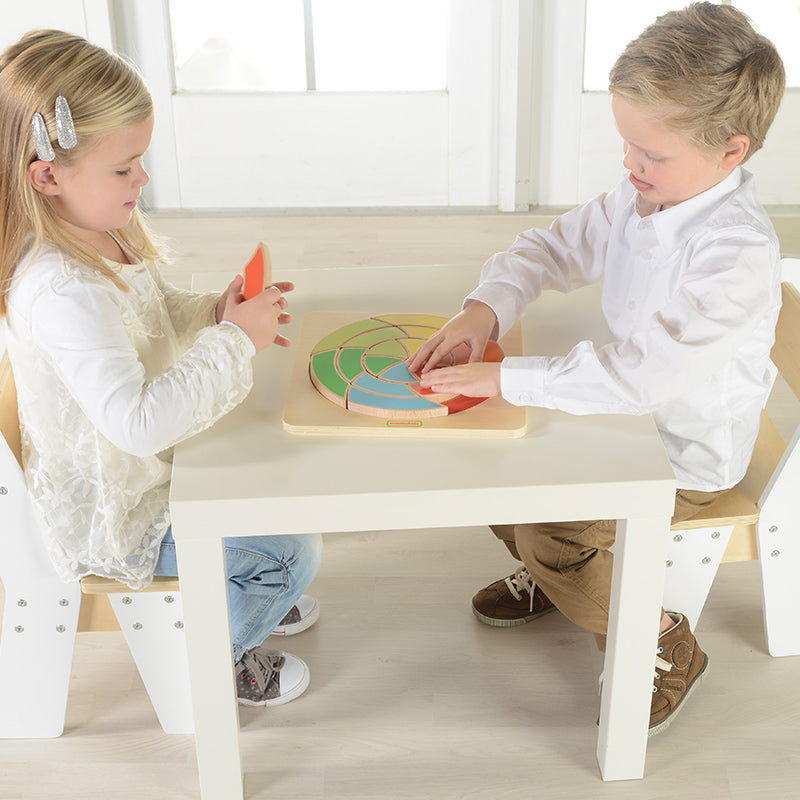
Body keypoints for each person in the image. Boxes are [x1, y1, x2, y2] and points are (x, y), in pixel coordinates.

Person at [408, 2, 785, 736]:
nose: (629, 164)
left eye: (651, 153)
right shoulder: (645, 197)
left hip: (684, 457)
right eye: (625, 144)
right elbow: (550, 249)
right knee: (487, 466)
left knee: (552, 532)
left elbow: (644, 374)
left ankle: (662, 639)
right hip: (622, 423)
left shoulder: (733, 252)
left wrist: (507, 378)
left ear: (730, 153)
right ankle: (573, 583)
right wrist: (484, 310)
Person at [0, 29, 322, 707]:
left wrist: (211, 313)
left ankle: (249, 585)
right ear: (48, 175)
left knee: (287, 492)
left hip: (144, 475)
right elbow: (138, 426)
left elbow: (146, 311)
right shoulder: (61, 291)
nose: (142, 179)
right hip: (118, 513)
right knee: (293, 554)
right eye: (125, 168)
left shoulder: (94, 230)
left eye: (141, 160)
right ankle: (217, 657)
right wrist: (232, 342)